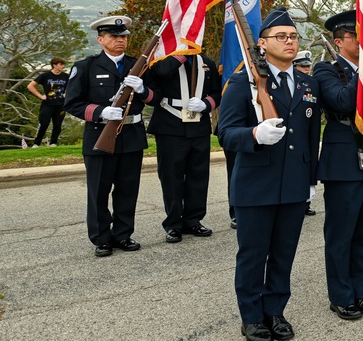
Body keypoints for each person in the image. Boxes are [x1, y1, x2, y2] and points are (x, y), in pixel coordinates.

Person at [216, 7, 321, 341]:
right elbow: (225, 131)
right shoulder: (242, 81)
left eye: (293, 36)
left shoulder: (307, 82)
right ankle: (251, 318)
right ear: (262, 44)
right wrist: (254, 136)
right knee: (253, 254)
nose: (289, 42)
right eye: (281, 37)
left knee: (283, 253)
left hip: (293, 184)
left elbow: (310, 137)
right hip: (255, 185)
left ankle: (275, 310)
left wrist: (310, 179)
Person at [313, 9, 363, 320]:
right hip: (343, 162)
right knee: (341, 233)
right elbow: (342, 103)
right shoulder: (326, 70)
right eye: (358, 37)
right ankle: (341, 295)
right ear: (339, 41)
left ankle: (361, 291)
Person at [64, 16, 156, 258]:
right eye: (114, 37)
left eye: (123, 36)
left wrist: (142, 90)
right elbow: (72, 103)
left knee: (128, 189)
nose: (120, 40)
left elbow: (155, 99)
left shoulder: (139, 66)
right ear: (100, 39)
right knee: (99, 191)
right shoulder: (85, 67)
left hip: (131, 136)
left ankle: (123, 235)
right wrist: (100, 111)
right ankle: (101, 239)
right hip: (99, 136)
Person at [144, 53, 221, 244]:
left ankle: (193, 220)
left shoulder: (206, 62)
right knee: (171, 177)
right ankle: (173, 224)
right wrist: (179, 55)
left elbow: (217, 92)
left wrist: (206, 104)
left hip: (198, 125)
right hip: (170, 125)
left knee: (198, 176)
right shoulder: (163, 61)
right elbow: (161, 74)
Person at [293, 51, 318, 217]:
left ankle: (305, 202)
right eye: (303, 65)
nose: (307, 68)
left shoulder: (312, 84)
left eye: (308, 66)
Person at [28, 57, 68, 147]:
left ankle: (53, 143)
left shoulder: (66, 76)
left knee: (57, 125)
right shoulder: (45, 76)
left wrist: (67, 93)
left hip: (61, 104)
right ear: (54, 65)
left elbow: (73, 87)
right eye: (60, 64)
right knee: (44, 124)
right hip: (47, 104)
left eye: (63, 64)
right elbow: (30, 86)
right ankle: (36, 143)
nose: (63, 66)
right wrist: (41, 96)